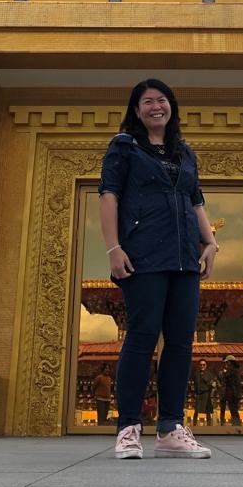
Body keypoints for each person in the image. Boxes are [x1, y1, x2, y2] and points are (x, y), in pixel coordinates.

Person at [99, 78, 219, 459]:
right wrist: (114, 248)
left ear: (171, 107)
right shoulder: (124, 146)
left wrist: (210, 242)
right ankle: (128, 429)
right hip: (144, 254)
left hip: (184, 258)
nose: (156, 107)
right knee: (142, 336)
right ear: (137, 110)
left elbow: (195, 200)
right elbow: (109, 195)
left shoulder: (185, 153)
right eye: (148, 101)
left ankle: (170, 429)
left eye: (162, 100)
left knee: (181, 342)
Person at [219, 354, 242, 426]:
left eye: (227, 362)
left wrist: (225, 374)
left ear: (230, 362)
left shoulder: (233, 370)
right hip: (231, 394)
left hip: (233, 394)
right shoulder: (233, 370)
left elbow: (235, 383)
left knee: (233, 410)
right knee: (233, 410)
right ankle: (236, 423)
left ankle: (236, 424)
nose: (226, 363)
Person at [192, 359, 214, 427]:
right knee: (196, 410)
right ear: (199, 365)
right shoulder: (196, 374)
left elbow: (211, 384)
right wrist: (194, 393)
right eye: (201, 365)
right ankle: (194, 424)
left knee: (207, 410)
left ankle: (209, 424)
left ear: (206, 365)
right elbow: (194, 384)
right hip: (198, 394)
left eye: (203, 365)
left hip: (206, 393)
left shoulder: (209, 374)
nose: (202, 366)